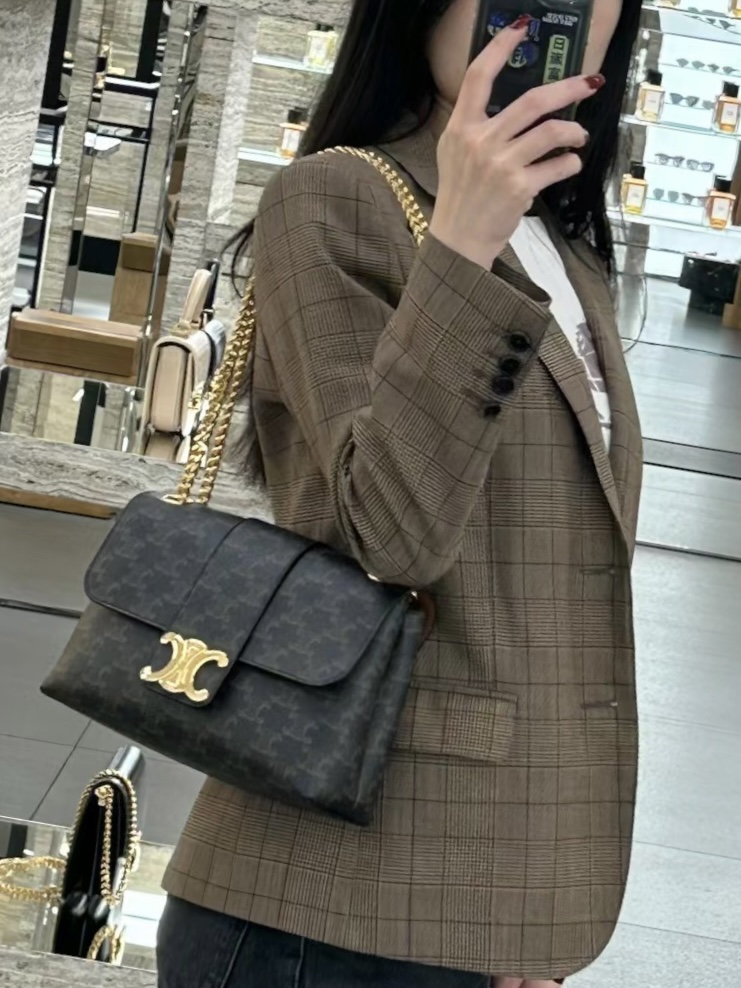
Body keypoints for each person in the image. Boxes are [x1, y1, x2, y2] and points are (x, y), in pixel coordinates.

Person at [156, 1, 644, 985]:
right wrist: (459, 247)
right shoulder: (334, 199)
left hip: (476, 904)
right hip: (315, 910)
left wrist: (526, 914)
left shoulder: (573, 255)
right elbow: (390, 535)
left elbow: (547, 603)